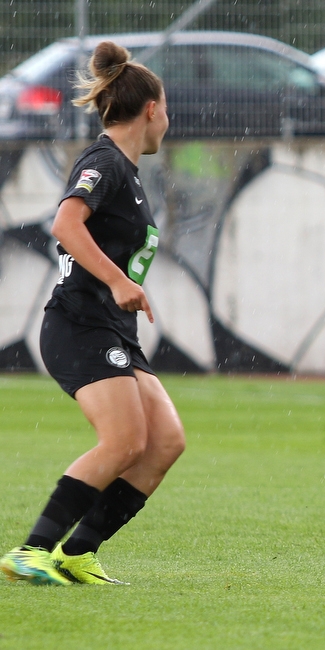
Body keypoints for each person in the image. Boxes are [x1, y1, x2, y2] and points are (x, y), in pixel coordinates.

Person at [0, 41, 184, 586]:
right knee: (125, 441)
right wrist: (118, 279)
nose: (168, 121)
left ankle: (77, 552)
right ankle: (30, 550)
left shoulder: (127, 173)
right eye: (167, 109)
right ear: (151, 110)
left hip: (113, 330)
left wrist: (122, 288)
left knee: (165, 441)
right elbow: (64, 225)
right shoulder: (103, 162)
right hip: (79, 325)